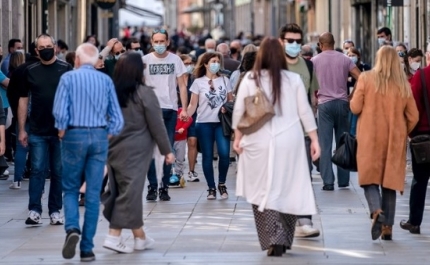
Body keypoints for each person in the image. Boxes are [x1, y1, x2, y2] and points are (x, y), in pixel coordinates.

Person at [232, 37, 320, 256]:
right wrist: (314, 139)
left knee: (263, 189)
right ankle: (284, 236)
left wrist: (237, 137)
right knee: (287, 187)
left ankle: (275, 235)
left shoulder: (251, 79)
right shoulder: (293, 79)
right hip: (290, 139)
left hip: (257, 141)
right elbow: (305, 111)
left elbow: (239, 111)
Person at [53, 43, 124, 262]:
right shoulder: (105, 80)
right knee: (93, 194)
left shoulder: (68, 79)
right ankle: (87, 248)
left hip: (74, 135)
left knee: (71, 188)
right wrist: (108, 134)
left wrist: (62, 130)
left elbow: (59, 110)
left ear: (76, 60)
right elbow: (118, 118)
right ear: (95, 61)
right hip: (99, 135)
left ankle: (72, 227)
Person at [102, 52, 174, 253]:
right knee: (129, 193)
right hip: (137, 150)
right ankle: (113, 235)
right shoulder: (144, 93)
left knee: (121, 191)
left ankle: (140, 236)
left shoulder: (110, 92)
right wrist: (167, 150)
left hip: (113, 149)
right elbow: (157, 124)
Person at [350, 46, 418, 241]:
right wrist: (402, 129)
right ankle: (387, 227)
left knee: (369, 180)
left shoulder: (366, 78)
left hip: (370, 138)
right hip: (394, 140)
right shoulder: (403, 84)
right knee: (389, 182)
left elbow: (355, 108)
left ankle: (376, 211)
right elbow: (413, 116)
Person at [18, 34, 73, 226]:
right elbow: (24, 100)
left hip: (60, 132)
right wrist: (22, 128)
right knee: (37, 171)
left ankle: (55, 211)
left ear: (55, 47)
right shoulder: (30, 71)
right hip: (37, 129)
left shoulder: (66, 69)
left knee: (58, 172)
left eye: (49, 46)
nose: (46, 49)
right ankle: (34, 210)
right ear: (36, 51)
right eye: (42, 47)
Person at [279, 23, 320, 238]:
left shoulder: (309, 66)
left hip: (302, 131)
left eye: (297, 41)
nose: (294, 45)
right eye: (290, 41)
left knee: (304, 174)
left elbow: (312, 100)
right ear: (281, 42)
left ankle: (304, 220)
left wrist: (314, 137)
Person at [142, 29, 189, 201]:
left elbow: (182, 86)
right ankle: (152, 187)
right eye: (157, 41)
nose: (160, 44)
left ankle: (164, 187)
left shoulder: (175, 60)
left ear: (168, 42)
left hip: (170, 110)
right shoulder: (145, 61)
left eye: (163, 41)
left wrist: (183, 108)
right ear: (152, 42)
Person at [311, 32, 361, 191]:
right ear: (334, 43)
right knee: (343, 142)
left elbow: (309, 84)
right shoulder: (345, 59)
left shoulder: (314, 61)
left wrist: (314, 100)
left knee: (324, 144)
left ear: (320, 44)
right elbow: (361, 77)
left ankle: (328, 181)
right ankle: (344, 180)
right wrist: (351, 96)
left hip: (324, 105)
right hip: (342, 103)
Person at [187, 52, 233, 200]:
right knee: (207, 156)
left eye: (218, 61)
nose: (216, 64)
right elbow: (193, 104)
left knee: (224, 154)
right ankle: (211, 188)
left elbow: (231, 101)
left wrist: (227, 107)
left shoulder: (225, 80)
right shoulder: (198, 82)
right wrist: (186, 114)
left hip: (221, 123)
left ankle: (222, 183)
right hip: (204, 123)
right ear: (206, 64)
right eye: (213, 61)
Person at [400, 43, 430, 235]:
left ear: (428, 55)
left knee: (420, 180)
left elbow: (412, 106)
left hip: (423, 136)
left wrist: (410, 133)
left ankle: (415, 222)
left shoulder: (421, 76)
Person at [7, 42, 38, 188]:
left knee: (21, 146)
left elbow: (11, 92)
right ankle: (38, 175)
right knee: (40, 145)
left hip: (21, 113)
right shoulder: (45, 69)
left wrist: (16, 110)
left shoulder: (20, 70)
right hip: (41, 114)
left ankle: (17, 179)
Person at [178, 54, 200, 182]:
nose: (189, 66)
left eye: (191, 63)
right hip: (177, 115)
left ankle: (191, 171)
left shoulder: (195, 79)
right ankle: (177, 171)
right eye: (186, 63)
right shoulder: (174, 79)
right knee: (177, 144)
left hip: (192, 114)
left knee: (192, 141)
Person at [347, 47, 371, 137]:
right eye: (349, 55)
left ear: (358, 56)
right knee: (348, 125)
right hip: (348, 99)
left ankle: (354, 145)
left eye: (353, 55)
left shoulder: (365, 67)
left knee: (354, 125)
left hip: (360, 99)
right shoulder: (345, 68)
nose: (351, 57)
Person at [171, 107, 193, 186]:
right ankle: (170, 173)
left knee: (180, 158)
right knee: (170, 158)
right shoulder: (169, 111)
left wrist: (183, 128)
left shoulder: (181, 111)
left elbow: (190, 119)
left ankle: (179, 174)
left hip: (180, 139)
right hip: (170, 138)